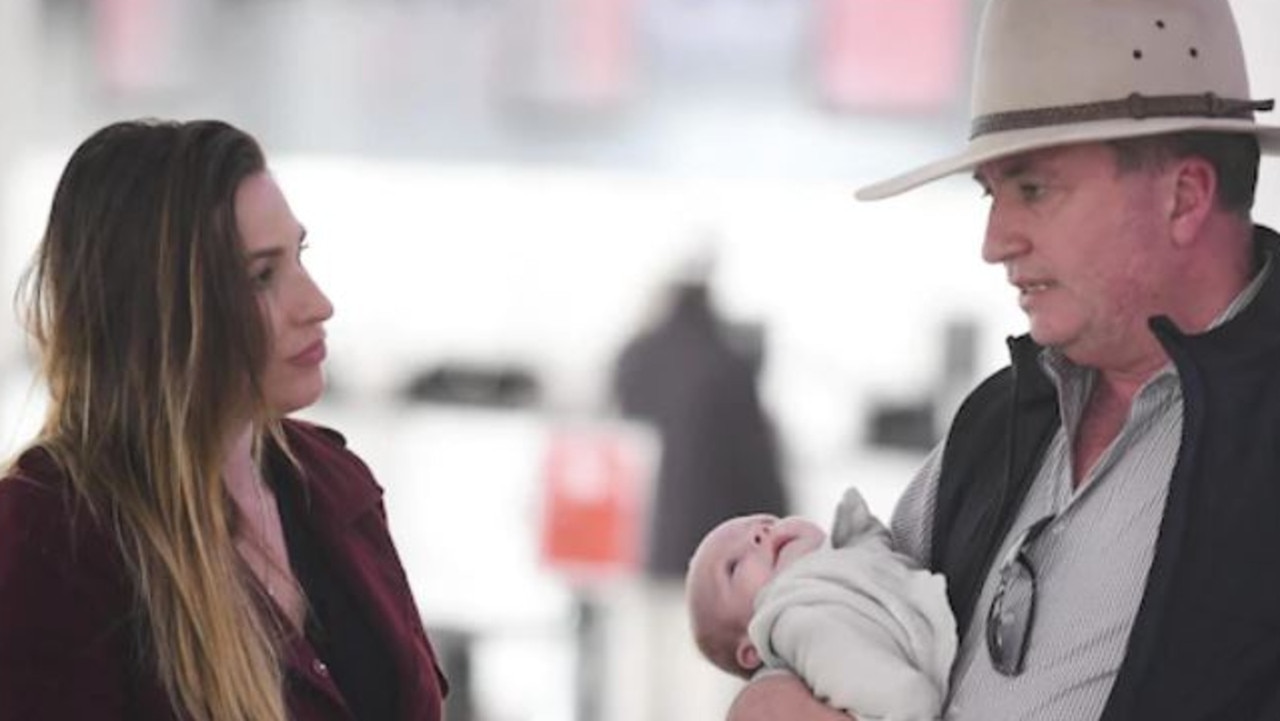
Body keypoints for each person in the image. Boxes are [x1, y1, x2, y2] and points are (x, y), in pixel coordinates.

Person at [731, 0, 1280, 719]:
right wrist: (774, 686)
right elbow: (854, 607)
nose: (995, 240)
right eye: (992, 193)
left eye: (1033, 188)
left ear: (1184, 197)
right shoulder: (998, 418)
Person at [0, 120, 448, 721]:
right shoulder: (53, 533)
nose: (317, 304)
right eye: (262, 276)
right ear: (158, 310)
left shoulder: (335, 483)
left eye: (299, 256)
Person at [687, 488, 955, 721]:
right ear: (751, 650)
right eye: (733, 566)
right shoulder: (791, 622)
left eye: (768, 522)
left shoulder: (838, 559)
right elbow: (868, 676)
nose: (759, 534)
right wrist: (909, 702)